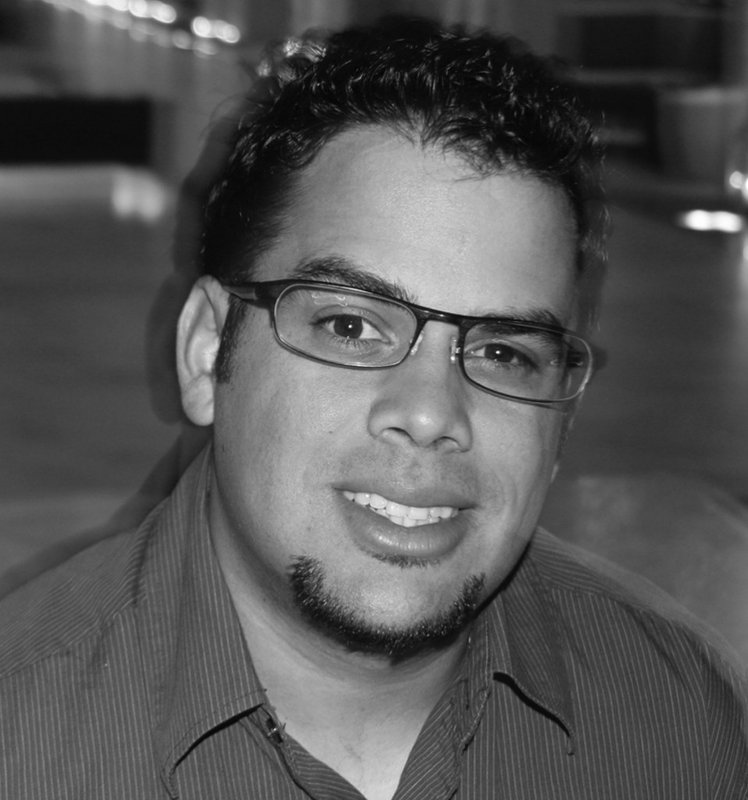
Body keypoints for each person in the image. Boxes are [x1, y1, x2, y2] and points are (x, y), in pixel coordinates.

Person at [1, 15, 746, 799]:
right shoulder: (23, 743)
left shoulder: (679, 726)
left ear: (561, 425)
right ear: (207, 349)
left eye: (504, 353)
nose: (429, 413)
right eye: (350, 326)